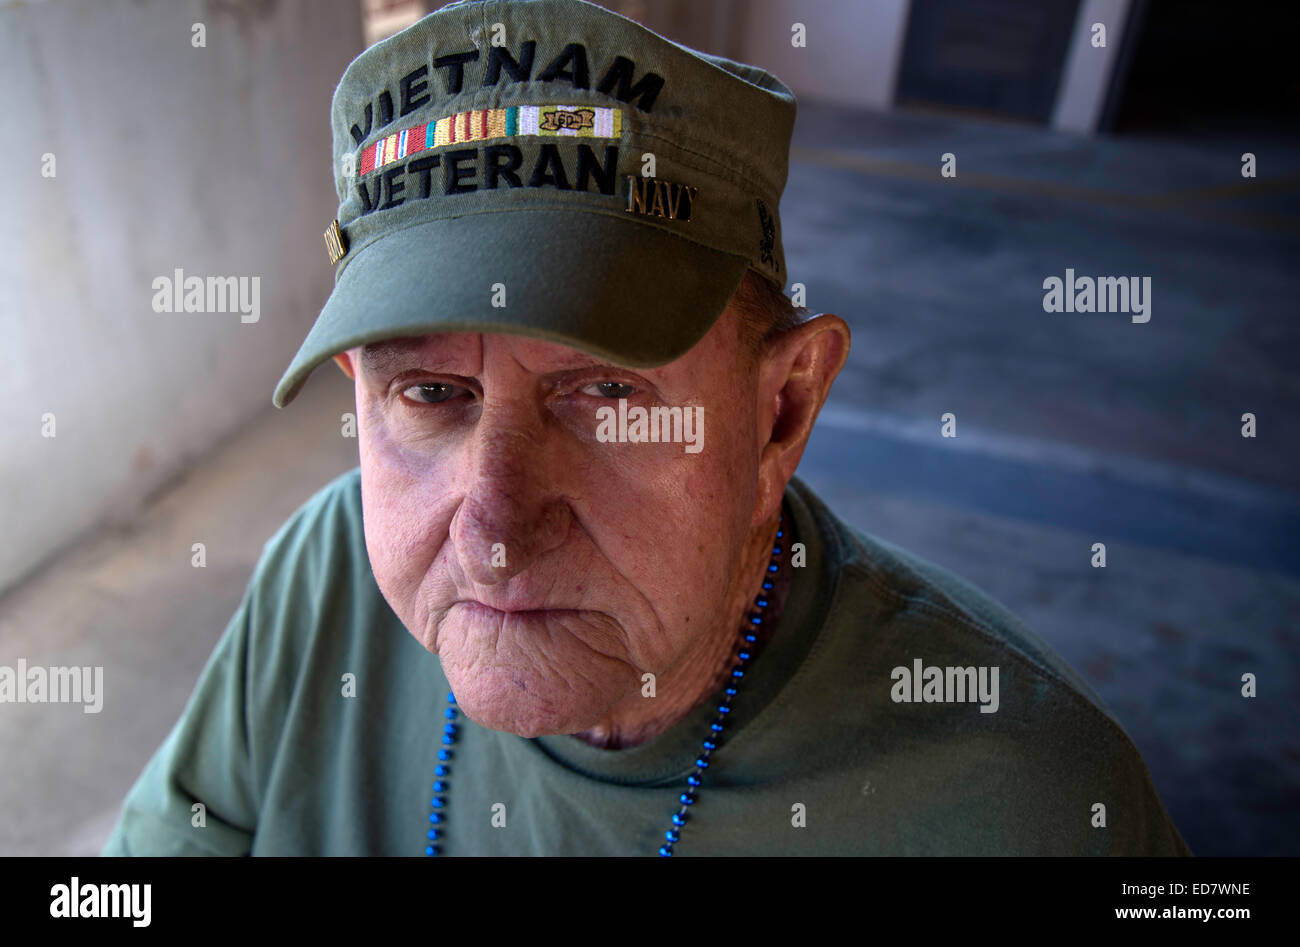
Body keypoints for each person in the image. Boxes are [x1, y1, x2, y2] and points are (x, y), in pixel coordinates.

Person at [102, 0, 1190, 856]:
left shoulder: (1026, 806)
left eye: (605, 395)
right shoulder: (323, 576)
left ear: (782, 410)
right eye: (430, 394)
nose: (493, 528)